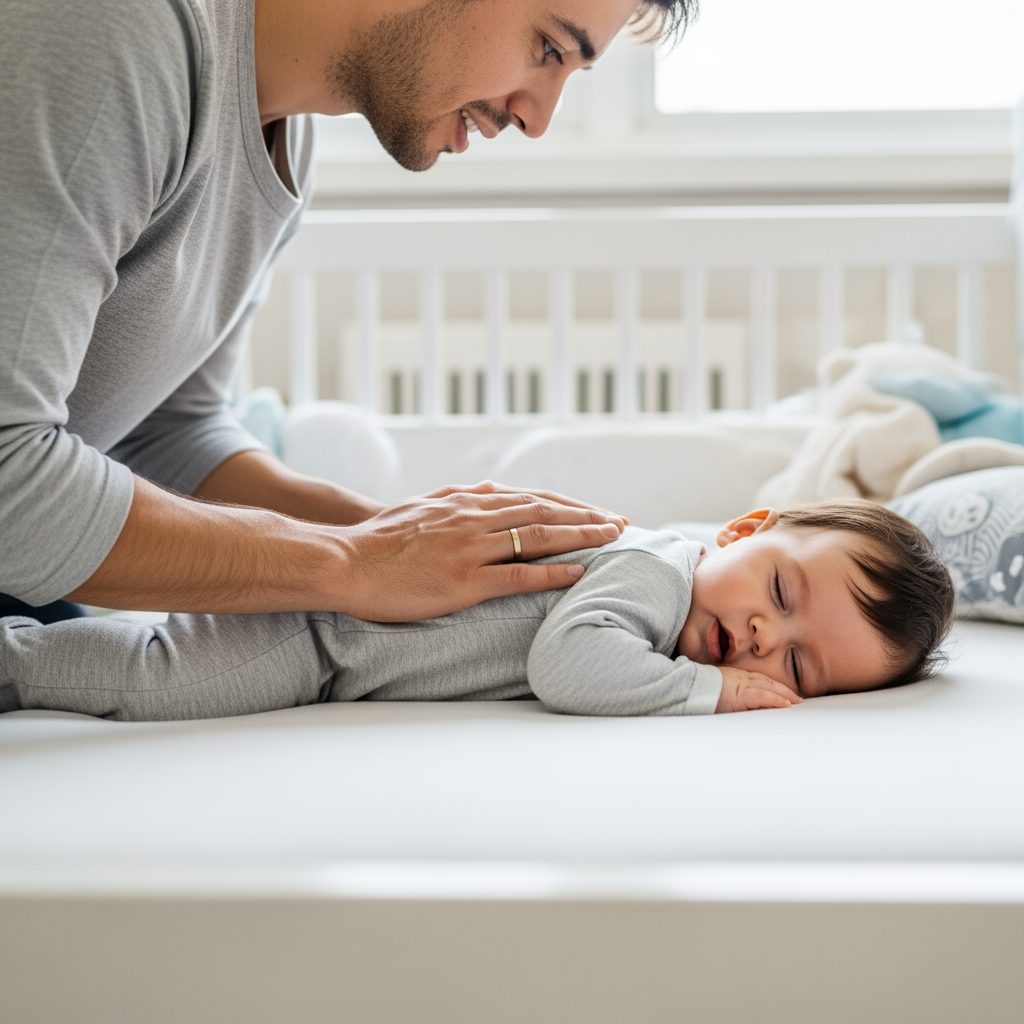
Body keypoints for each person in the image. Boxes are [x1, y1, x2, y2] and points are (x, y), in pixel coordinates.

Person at [0, 0, 695, 627]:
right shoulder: (120, 30)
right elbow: (8, 483)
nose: (537, 119)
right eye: (548, 49)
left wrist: (405, 537)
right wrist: (350, 563)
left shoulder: (286, 144)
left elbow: (162, 434)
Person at [0, 501, 956, 720]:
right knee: (148, 675)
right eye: (781, 594)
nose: (761, 640)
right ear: (747, 527)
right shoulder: (657, 571)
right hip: (322, 639)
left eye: (798, 666)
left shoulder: (674, 596)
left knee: (142, 650)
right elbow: (569, 665)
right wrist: (714, 696)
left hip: (338, 643)